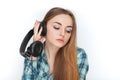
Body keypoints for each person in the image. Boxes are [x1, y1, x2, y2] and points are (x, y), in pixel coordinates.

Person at [22, 7, 89, 80]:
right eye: (56, 27)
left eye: (68, 30)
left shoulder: (79, 55)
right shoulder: (32, 54)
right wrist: (34, 55)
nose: (62, 34)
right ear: (43, 28)